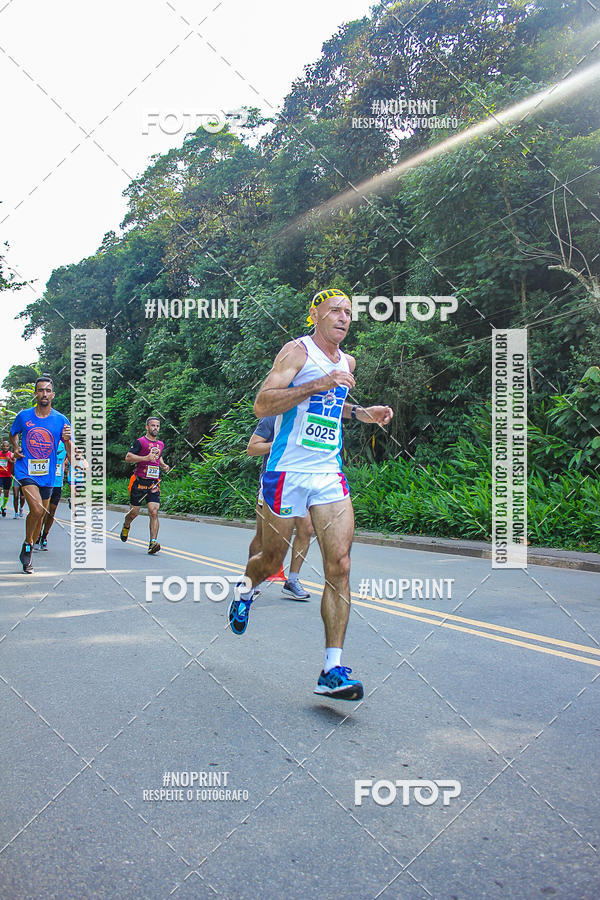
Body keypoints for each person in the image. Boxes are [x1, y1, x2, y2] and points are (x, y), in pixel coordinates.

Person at [228, 288, 393, 701]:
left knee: (339, 563)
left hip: (327, 472)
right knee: (271, 560)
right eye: (335, 310)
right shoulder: (296, 352)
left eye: (349, 312)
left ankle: (331, 668)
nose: (343, 317)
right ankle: (246, 588)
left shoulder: (349, 362)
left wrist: (362, 413)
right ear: (315, 316)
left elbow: (334, 406)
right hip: (286, 471)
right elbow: (263, 404)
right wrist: (319, 381)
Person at [9, 376, 75, 574]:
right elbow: (13, 432)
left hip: (47, 474)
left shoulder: (61, 420)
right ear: (35, 394)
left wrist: (68, 441)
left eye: (47, 390)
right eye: (40, 390)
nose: (44, 394)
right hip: (25, 469)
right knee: (37, 509)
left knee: (41, 514)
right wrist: (15, 447)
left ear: (52, 394)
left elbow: (70, 452)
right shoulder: (24, 416)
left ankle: (29, 541)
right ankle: (28, 546)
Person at [247, 416, 313, 600]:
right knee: (263, 536)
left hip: (300, 480)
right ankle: (251, 578)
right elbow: (251, 448)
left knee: (307, 529)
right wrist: (280, 443)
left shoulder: (308, 416)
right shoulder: (272, 417)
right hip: (273, 479)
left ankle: (292, 580)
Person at [120, 417, 170, 554]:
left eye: (158, 426)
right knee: (133, 513)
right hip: (139, 482)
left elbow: (158, 457)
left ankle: (152, 543)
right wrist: (145, 458)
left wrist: (163, 465)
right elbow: (128, 457)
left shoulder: (160, 444)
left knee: (154, 511)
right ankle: (126, 525)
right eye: (153, 425)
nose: (156, 428)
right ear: (147, 427)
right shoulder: (140, 442)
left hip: (153, 483)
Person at [34, 439, 66, 550]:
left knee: (52, 512)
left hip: (57, 483)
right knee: (42, 511)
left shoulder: (65, 444)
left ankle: (44, 536)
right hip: (45, 482)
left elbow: (70, 460)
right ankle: (37, 536)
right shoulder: (46, 442)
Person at [0, 439, 13, 517]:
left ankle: (4, 506)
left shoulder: (10, 454)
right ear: (2, 446)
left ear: (9, 447)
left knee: (6, 492)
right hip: (0, 475)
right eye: (4, 446)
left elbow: (14, 462)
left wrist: (10, 460)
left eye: (7, 446)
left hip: (7, 476)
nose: (5, 447)